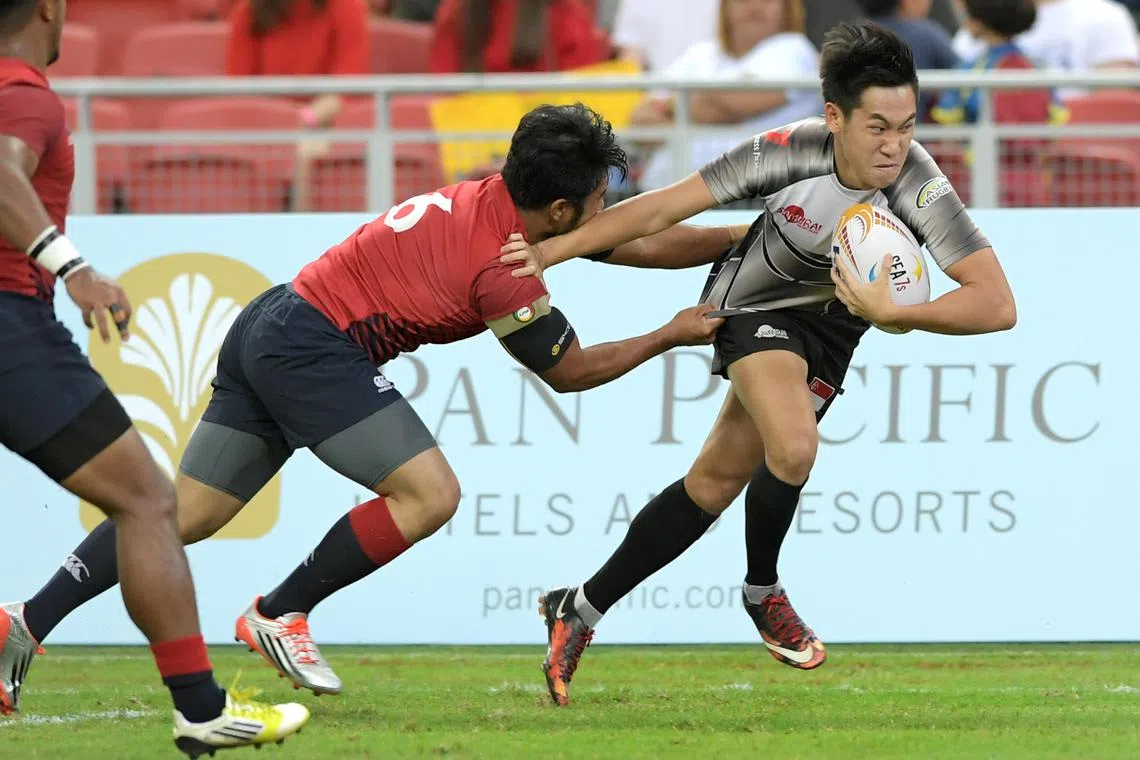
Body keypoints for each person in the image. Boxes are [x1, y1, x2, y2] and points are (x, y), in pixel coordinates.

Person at [9, 103, 741, 697]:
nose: (604, 212)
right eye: (596, 201)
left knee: (179, 514)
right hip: (312, 348)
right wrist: (671, 333)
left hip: (273, 318)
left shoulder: (497, 196)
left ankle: (23, 622)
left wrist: (746, 235)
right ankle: (279, 610)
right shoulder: (504, 271)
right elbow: (570, 369)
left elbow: (636, 240)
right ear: (557, 210)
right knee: (429, 494)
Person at [499, 21, 1017, 706]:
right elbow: (661, 209)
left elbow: (996, 303)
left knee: (712, 486)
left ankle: (580, 608)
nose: (895, 144)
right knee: (795, 446)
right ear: (834, 117)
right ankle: (762, 591)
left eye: (907, 125)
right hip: (753, 304)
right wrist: (551, 252)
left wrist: (898, 315)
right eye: (877, 126)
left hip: (836, 329)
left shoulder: (918, 185)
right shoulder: (787, 152)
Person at [0, 0, 309, 752]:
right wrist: (70, 266)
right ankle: (201, 707)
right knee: (147, 501)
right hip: (10, 327)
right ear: (48, 7)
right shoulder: (23, 94)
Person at [629, 0, 820, 191]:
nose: (754, 6)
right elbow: (640, 121)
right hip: (664, 198)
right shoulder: (701, 54)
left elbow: (725, 105)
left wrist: (675, 115)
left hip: (751, 201)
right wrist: (699, 108)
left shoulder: (794, 49)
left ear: (787, 7)